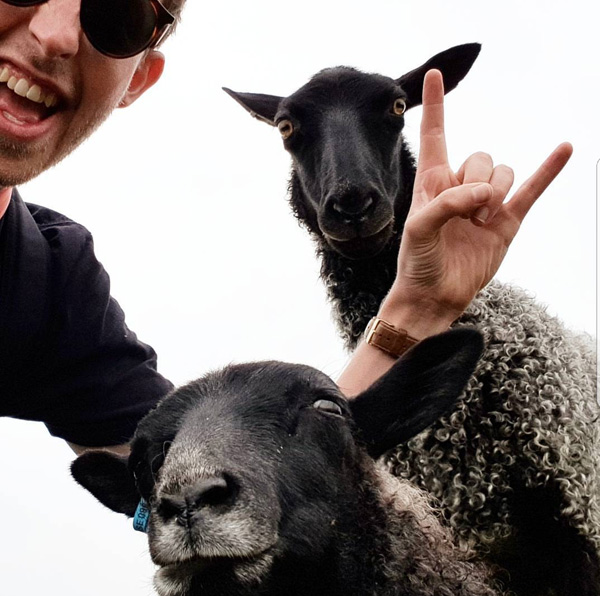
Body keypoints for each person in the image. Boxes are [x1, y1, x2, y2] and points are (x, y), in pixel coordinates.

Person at [0, 0, 572, 455]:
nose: (55, 35)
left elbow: (227, 477)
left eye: (119, 15)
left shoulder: (54, 292)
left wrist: (415, 310)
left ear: (138, 79)